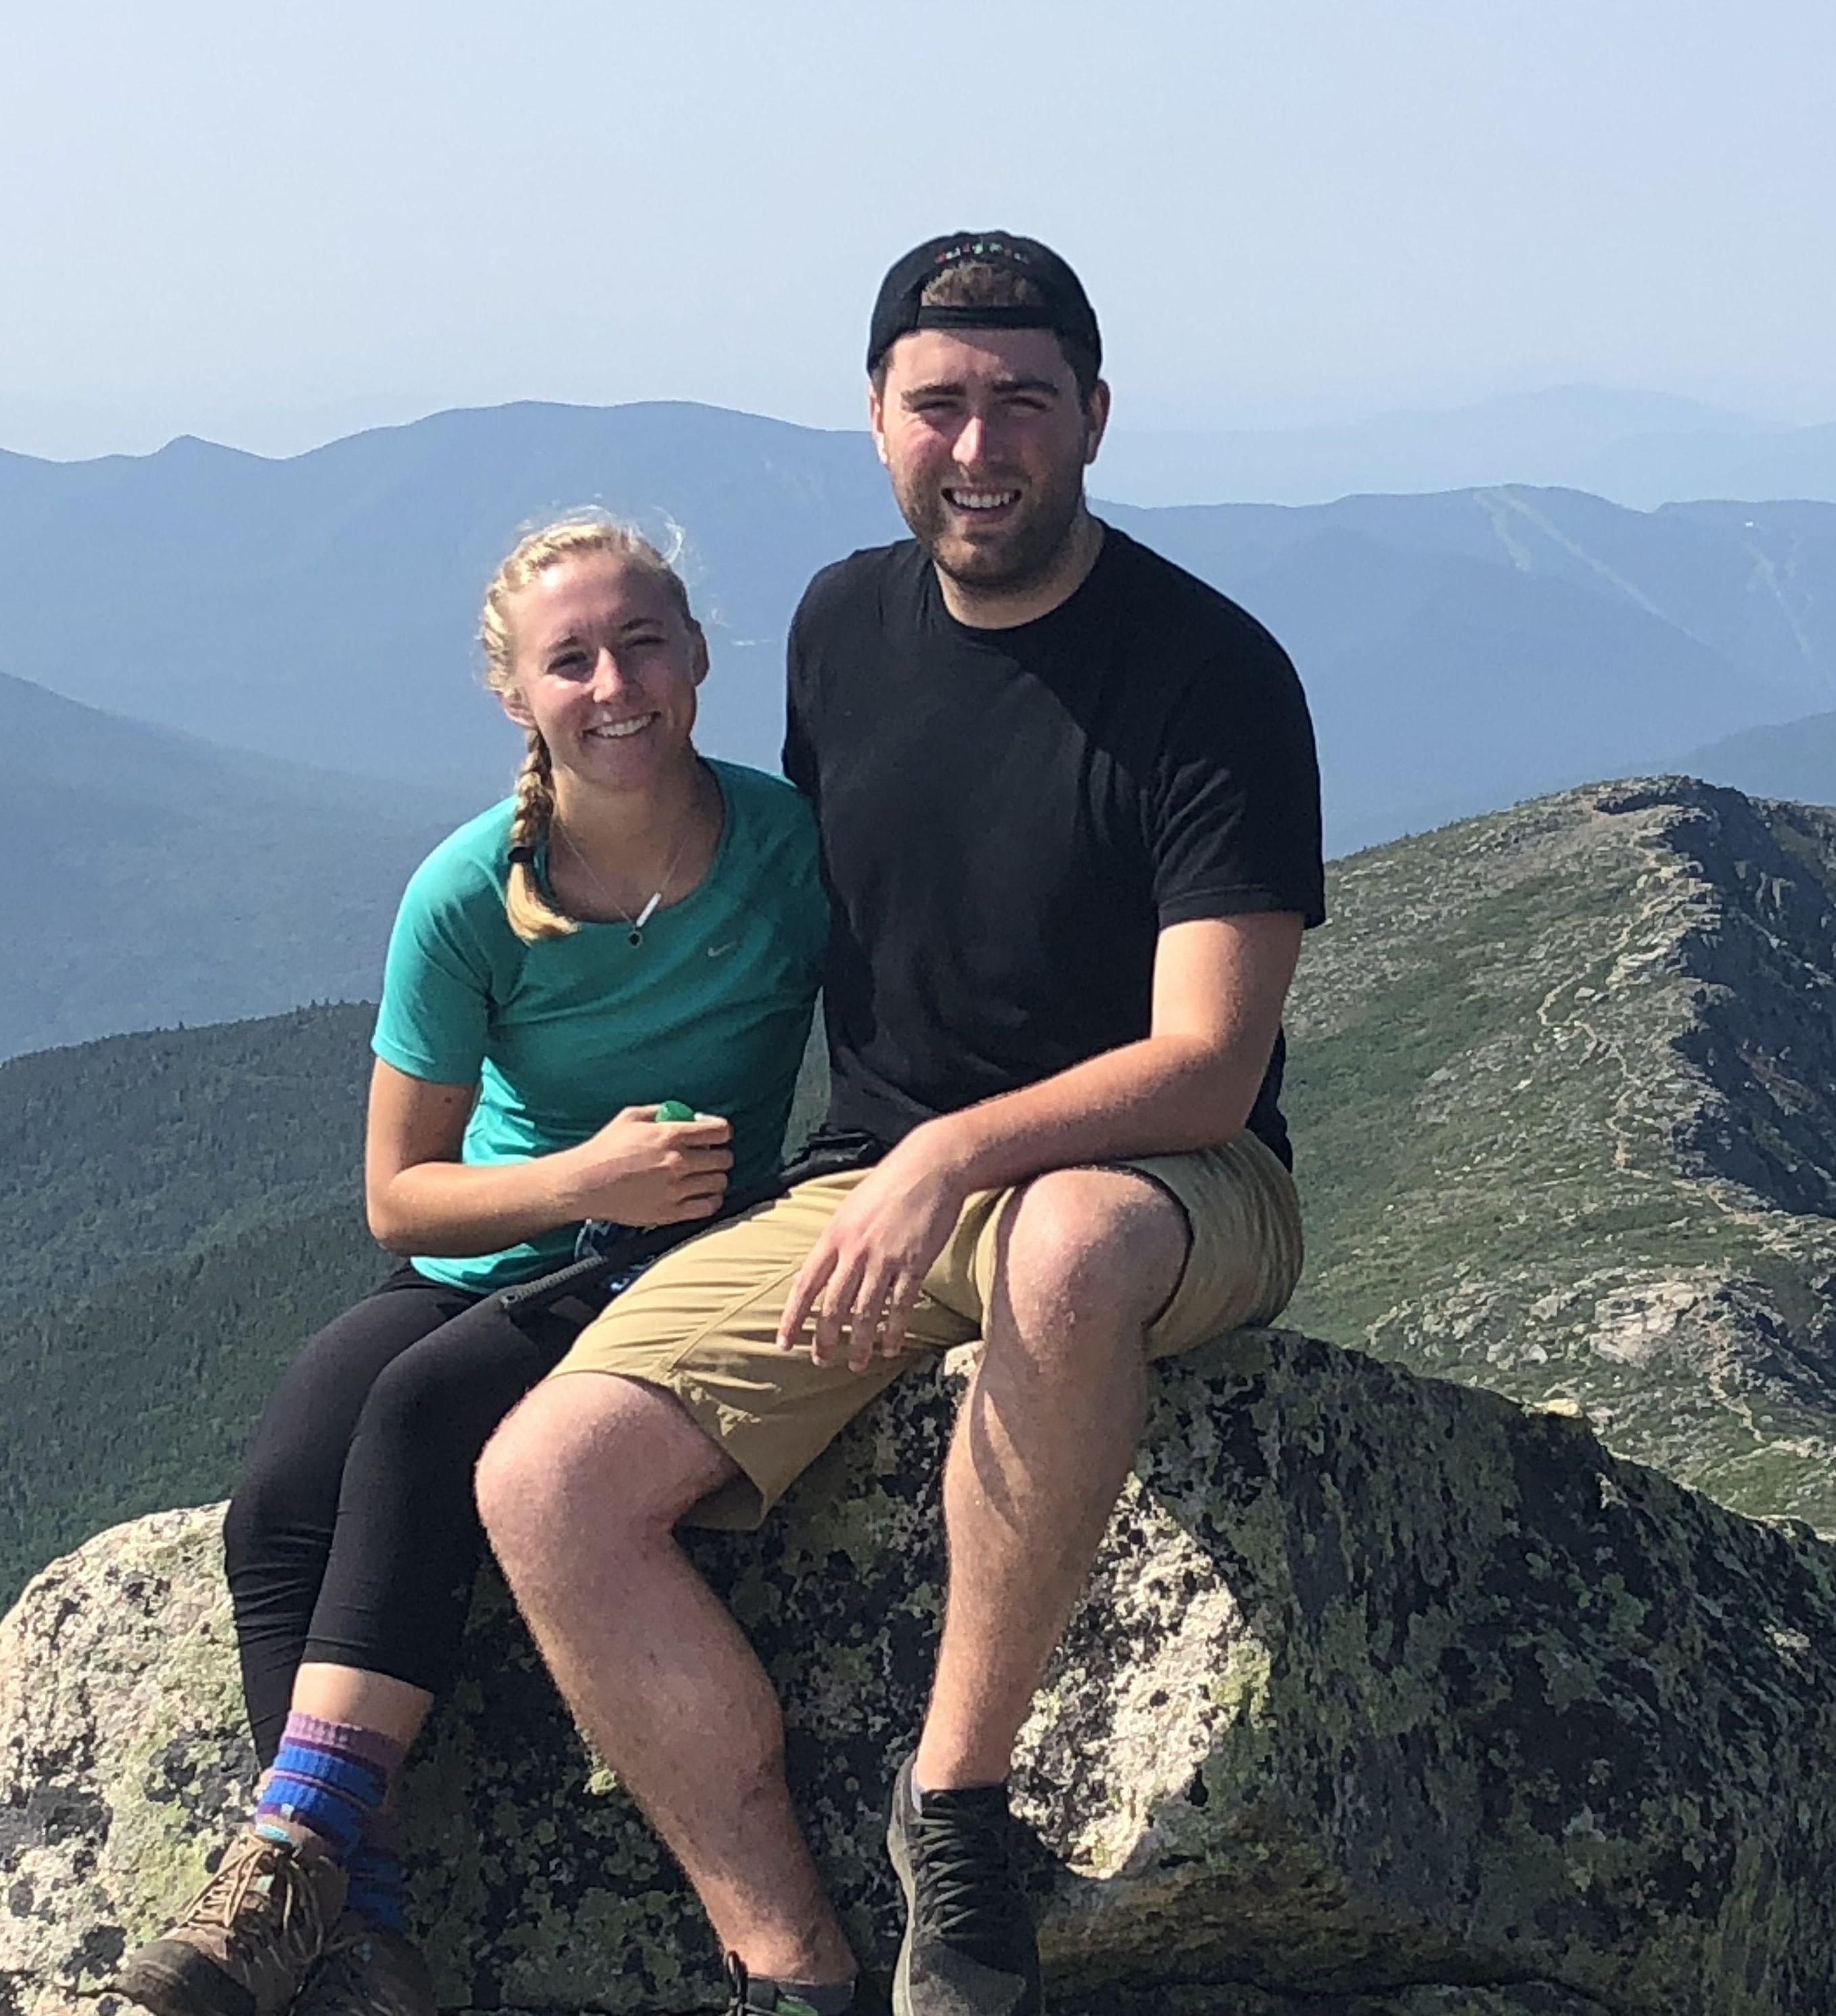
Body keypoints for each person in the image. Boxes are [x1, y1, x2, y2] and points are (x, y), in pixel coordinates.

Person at [475, 233, 1324, 2016]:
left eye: (1022, 401)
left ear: (1092, 418)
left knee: (1075, 1245)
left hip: (1163, 1178)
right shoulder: (838, 626)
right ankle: (789, 1955)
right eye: (936, 404)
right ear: (873, 420)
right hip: (875, 1178)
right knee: (544, 1484)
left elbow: (1209, 1063)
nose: (978, 444)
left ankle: (954, 1810)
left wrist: (949, 1152)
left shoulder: (1208, 672)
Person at [112, 514, 827, 2016]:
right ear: (516, 694)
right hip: (502, 1240)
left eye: (643, 643)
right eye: (570, 659)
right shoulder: (465, 891)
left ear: (699, 657)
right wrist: (578, 1173)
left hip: (670, 1260)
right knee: (281, 1498)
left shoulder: (787, 848)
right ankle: (354, 1930)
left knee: (426, 1414)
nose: (615, 682)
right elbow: (399, 1196)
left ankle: (294, 1860)